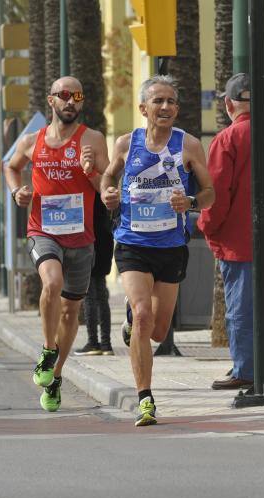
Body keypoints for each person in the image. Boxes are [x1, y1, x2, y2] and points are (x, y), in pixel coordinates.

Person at [100, 75, 215, 427]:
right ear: (143, 108)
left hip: (171, 245)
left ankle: (134, 325)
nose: (164, 108)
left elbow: (210, 192)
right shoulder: (125, 144)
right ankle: (145, 398)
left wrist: (191, 201)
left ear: (176, 109)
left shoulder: (188, 145)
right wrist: (108, 194)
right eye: (158, 101)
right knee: (142, 313)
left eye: (170, 102)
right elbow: (107, 179)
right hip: (132, 243)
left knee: (159, 331)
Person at [5, 76, 110, 412]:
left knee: (70, 311)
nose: (71, 102)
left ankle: (55, 374)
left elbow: (107, 187)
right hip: (43, 229)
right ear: (51, 101)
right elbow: (11, 167)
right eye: (64, 96)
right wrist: (17, 190)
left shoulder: (92, 139)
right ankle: (48, 350)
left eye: (77, 96)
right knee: (52, 282)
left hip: (81, 236)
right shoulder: (32, 140)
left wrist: (91, 170)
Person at [197, 72, 264, 392]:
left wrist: (206, 227)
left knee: (240, 308)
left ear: (229, 104)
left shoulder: (225, 140)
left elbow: (217, 196)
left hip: (236, 243)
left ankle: (245, 368)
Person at [73, 195, 114, 356]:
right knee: (102, 294)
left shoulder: (86, 190)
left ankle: (93, 342)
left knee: (90, 294)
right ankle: (106, 344)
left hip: (89, 240)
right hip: (105, 239)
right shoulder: (102, 188)